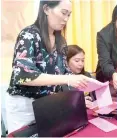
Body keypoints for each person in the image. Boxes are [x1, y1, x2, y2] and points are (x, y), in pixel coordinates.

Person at [5, 0, 92, 133]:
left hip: (48, 104)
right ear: (46, 9)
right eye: (63, 13)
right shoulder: (29, 35)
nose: (66, 19)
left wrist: (80, 94)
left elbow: (65, 72)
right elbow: (23, 75)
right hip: (24, 105)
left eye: (69, 15)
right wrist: (67, 79)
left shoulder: (61, 41)